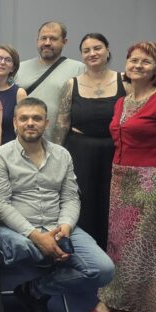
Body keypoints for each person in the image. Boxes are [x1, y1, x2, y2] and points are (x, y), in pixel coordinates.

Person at [0, 97, 114, 312]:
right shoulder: (0, 156)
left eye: (37, 118)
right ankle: (45, 259)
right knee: (24, 247)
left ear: (46, 123)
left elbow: (70, 198)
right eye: (24, 118)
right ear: (15, 123)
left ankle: (34, 291)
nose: (30, 123)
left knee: (104, 270)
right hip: (18, 231)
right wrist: (37, 236)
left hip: (59, 226)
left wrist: (65, 228)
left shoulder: (62, 155)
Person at [91, 42, 156, 312]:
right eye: (133, 60)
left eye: (146, 62)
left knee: (149, 247)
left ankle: (145, 303)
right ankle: (115, 298)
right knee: (119, 244)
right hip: (121, 180)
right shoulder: (122, 102)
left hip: (151, 182)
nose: (137, 65)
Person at [52, 34, 128, 249]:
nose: (92, 53)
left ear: (107, 50)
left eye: (97, 48)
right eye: (86, 50)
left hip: (116, 153)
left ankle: (113, 254)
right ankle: (84, 252)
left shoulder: (125, 81)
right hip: (80, 153)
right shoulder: (71, 84)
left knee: (113, 203)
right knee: (82, 202)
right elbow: (62, 124)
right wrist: (55, 158)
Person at [15, 21, 85, 140]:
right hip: (25, 141)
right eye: (43, 38)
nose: (47, 43)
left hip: (61, 141)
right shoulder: (19, 68)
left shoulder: (79, 69)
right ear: (37, 40)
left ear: (64, 42)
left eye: (53, 39)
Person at [0, 44, 27, 145]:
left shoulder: (19, 93)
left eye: (8, 60)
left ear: (13, 68)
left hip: (7, 150)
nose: (2, 62)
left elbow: (23, 127)